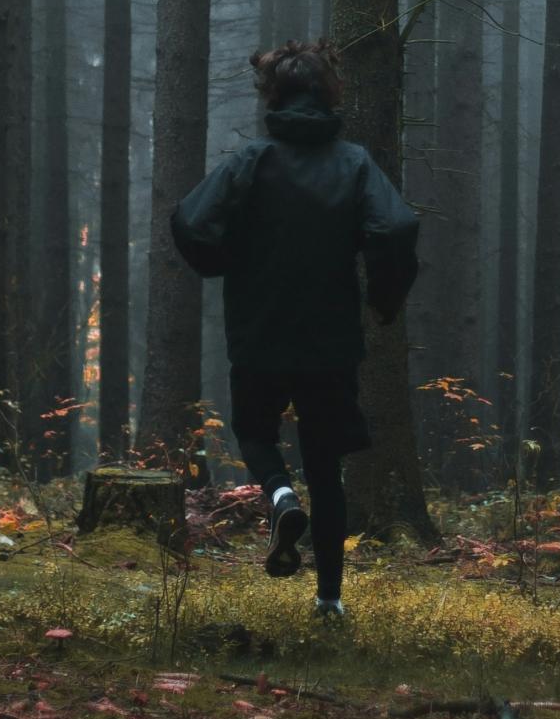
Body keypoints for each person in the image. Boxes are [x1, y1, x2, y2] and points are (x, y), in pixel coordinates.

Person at [170, 38, 419, 616]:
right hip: (329, 337)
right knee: (326, 464)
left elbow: (189, 221)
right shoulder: (354, 163)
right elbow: (397, 228)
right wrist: (384, 298)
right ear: (328, 94)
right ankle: (328, 600)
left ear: (273, 95)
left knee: (255, 433)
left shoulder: (250, 161)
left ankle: (279, 493)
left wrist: (225, 261)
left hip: (259, 328)